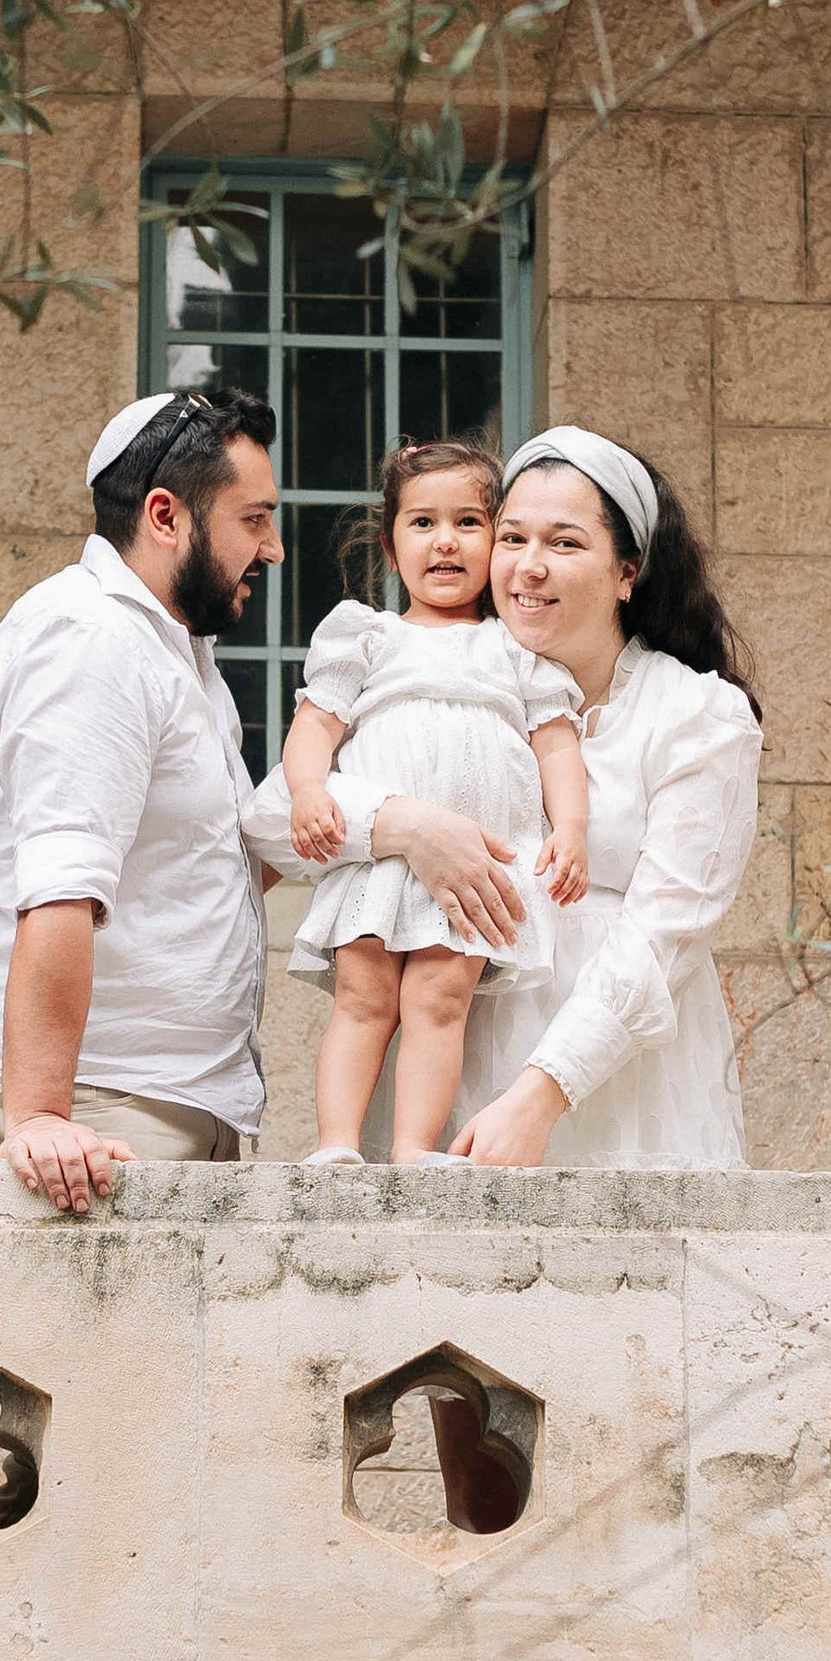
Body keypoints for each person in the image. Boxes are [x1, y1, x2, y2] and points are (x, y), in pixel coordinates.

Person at [249, 425, 759, 1168]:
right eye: (513, 537)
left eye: (564, 543)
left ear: (627, 572)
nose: (528, 566)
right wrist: (407, 827)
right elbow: (269, 822)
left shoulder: (698, 715)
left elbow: (665, 935)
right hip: (450, 1073)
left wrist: (542, 1093)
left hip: (604, 1088)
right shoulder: (438, 669)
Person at [0, 385, 282, 1213]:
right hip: (90, 1119)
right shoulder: (91, 639)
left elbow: (219, 866)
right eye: (253, 520)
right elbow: (63, 883)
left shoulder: (175, 653)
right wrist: (39, 1117)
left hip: (163, 1105)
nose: (272, 550)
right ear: (166, 516)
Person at [282, 438, 589, 1163]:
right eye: (423, 523)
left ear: (497, 543)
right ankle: (336, 1143)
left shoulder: (514, 649)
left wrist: (571, 825)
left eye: (468, 523)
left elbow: (556, 744)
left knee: (440, 1002)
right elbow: (315, 725)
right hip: (381, 864)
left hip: (476, 870)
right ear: (392, 550)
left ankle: (414, 1148)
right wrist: (307, 789)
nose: (445, 541)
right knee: (364, 998)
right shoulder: (367, 636)